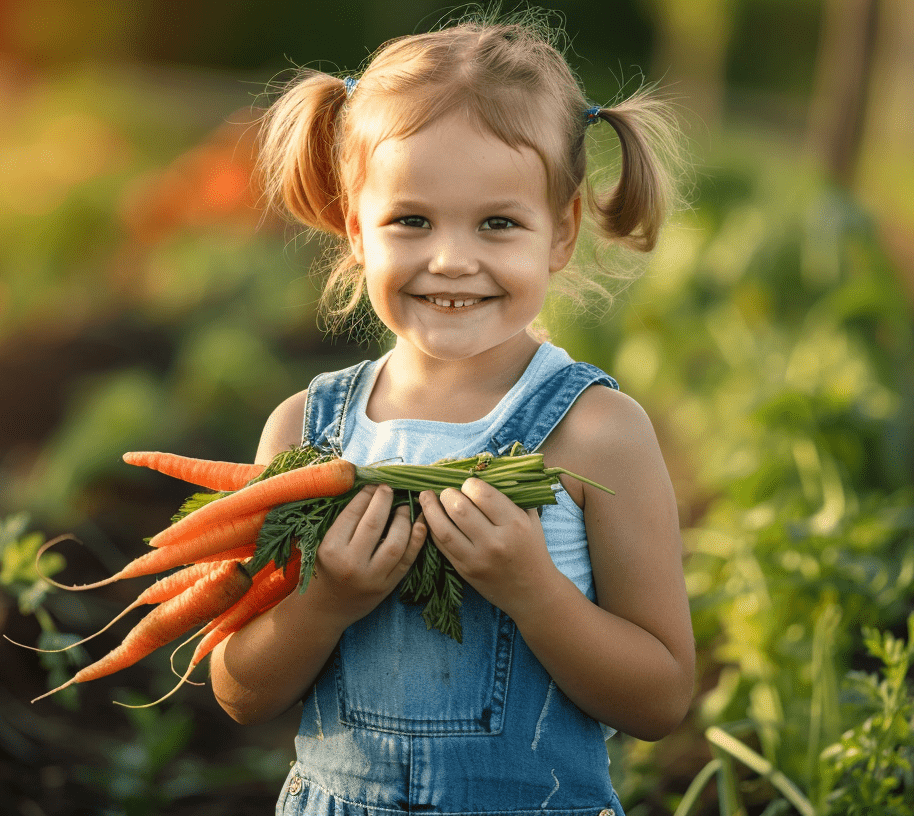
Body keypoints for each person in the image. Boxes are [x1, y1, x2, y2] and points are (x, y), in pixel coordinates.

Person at [210, 12, 695, 815]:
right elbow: (237, 690)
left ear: (561, 232)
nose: (452, 259)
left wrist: (534, 591)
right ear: (355, 227)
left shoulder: (599, 435)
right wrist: (322, 602)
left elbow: (661, 699)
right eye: (411, 220)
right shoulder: (304, 432)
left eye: (498, 223)